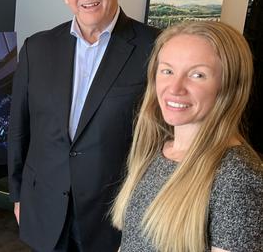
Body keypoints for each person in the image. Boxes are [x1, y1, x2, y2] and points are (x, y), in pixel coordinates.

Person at [7, 0, 159, 251]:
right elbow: (19, 131)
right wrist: (18, 193)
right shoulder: (37, 49)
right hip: (44, 207)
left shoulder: (155, 48)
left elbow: (162, 138)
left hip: (112, 214)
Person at [111, 21, 263, 252]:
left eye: (197, 74)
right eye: (168, 71)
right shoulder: (158, 149)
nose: (175, 88)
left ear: (230, 85)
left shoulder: (237, 175)